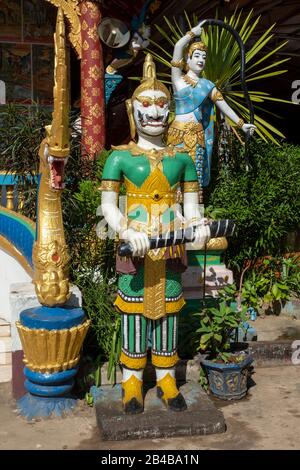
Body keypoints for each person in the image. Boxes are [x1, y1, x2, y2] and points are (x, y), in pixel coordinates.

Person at [100, 54, 211, 414]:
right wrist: (125, 229)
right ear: (134, 111)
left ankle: (166, 376)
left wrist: (198, 224)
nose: (154, 112)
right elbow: (109, 206)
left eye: (162, 105)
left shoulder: (182, 157)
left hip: (170, 242)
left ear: (169, 111)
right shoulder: (119, 157)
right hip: (136, 243)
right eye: (146, 105)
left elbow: (193, 204)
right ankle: (131, 379)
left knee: (169, 310)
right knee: (132, 310)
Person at [168, 22, 256, 201]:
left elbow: (224, 106)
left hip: (196, 135)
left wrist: (241, 124)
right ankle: (175, 217)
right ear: (188, 58)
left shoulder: (207, 86)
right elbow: (178, 46)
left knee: (195, 179)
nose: (201, 60)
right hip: (177, 134)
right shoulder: (178, 81)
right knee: (174, 179)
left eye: (204, 57)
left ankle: (195, 217)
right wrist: (193, 33)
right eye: (197, 56)